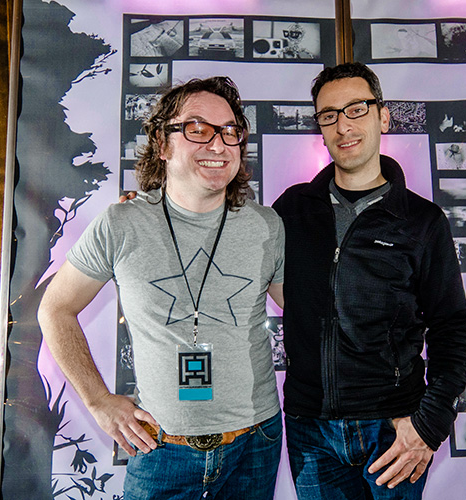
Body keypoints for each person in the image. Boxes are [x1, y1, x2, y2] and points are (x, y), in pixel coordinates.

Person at [38, 76, 285, 500]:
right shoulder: (122, 223)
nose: (218, 143)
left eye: (230, 131)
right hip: (161, 447)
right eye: (197, 128)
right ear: (162, 143)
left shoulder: (267, 225)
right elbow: (55, 310)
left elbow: (307, 309)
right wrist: (97, 400)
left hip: (255, 444)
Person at [272, 62, 466, 499]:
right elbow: (226, 235)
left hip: (392, 428)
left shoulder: (422, 221)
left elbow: (451, 329)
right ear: (320, 128)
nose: (343, 125)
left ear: (383, 116)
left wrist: (429, 425)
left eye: (356, 109)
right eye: (329, 115)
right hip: (310, 430)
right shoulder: (292, 209)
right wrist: (153, 205)